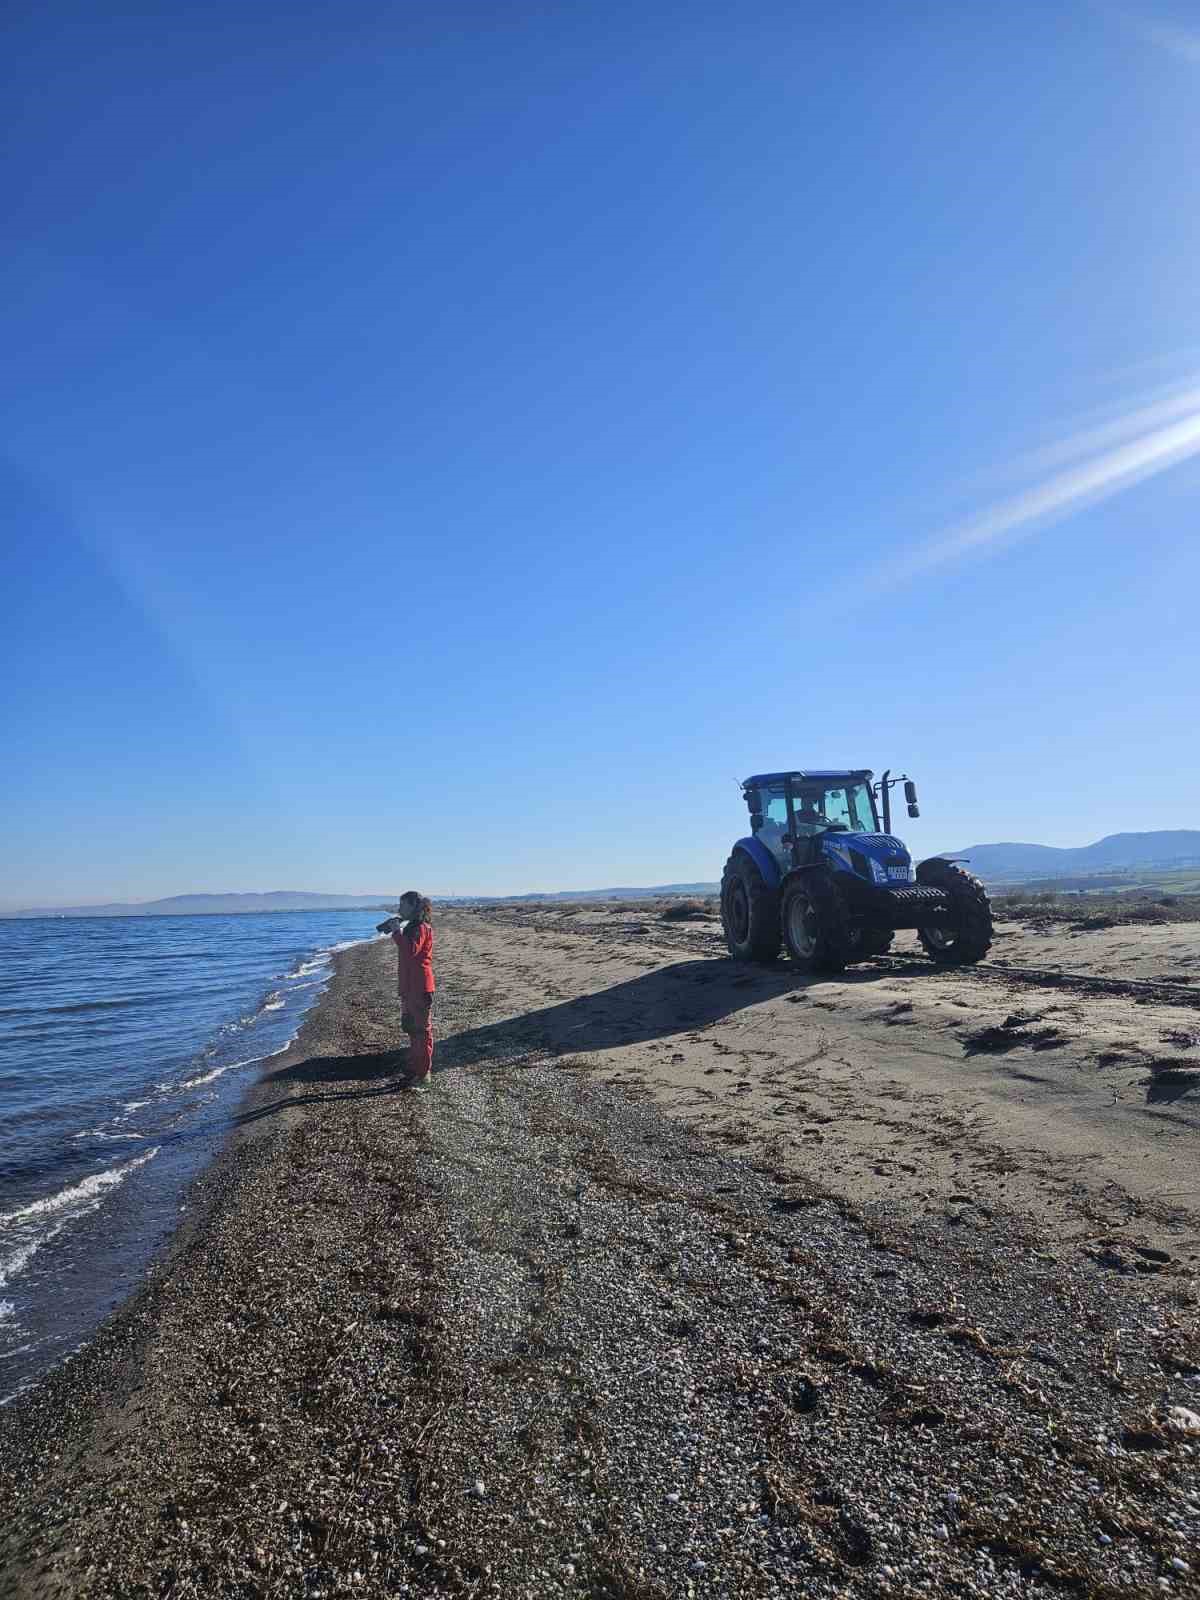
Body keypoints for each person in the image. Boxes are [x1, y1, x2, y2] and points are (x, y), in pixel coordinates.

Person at [376, 891, 436, 1091]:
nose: (399, 910)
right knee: (411, 1028)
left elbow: (410, 951)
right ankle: (417, 1069)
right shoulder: (412, 926)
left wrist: (396, 932)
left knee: (421, 1031)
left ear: (413, 906)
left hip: (419, 987)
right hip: (409, 987)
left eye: (402, 906)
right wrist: (394, 928)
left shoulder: (421, 928)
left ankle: (424, 1074)